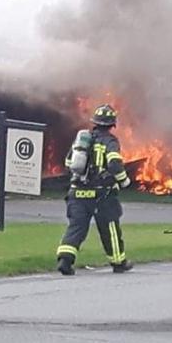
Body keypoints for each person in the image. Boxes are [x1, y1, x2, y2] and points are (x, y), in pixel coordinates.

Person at [56, 104, 133, 276]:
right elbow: (114, 163)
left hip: (77, 192)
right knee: (110, 228)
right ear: (112, 124)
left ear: (95, 123)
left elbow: (69, 163)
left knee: (76, 227)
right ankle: (118, 262)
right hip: (102, 194)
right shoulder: (110, 141)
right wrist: (125, 181)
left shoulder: (82, 140)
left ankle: (65, 260)